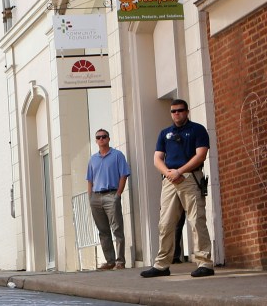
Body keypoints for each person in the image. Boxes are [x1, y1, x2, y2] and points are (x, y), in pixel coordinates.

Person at [141, 99, 214, 278]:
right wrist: (168, 172)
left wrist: (180, 171)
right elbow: (157, 158)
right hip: (169, 180)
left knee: (196, 220)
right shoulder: (165, 133)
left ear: (187, 111)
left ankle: (204, 263)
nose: (176, 114)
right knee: (165, 223)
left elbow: (201, 155)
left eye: (180, 110)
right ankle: (162, 265)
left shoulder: (197, 130)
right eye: (173, 111)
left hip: (190, 177)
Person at [86, 129, 131, 270]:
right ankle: (110, 261)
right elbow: (89, 179)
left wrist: (118, 194)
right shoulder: (93, 159)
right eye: (98, 137)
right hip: (96, 196)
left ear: (108, 139)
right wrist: (90, 197)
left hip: (111, 195)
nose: (101, 139)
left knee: (117, 228)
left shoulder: (117, 155)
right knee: (103, 230)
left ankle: (120, 261)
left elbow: (124, 175)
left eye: (104, 137)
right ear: (96, 141)